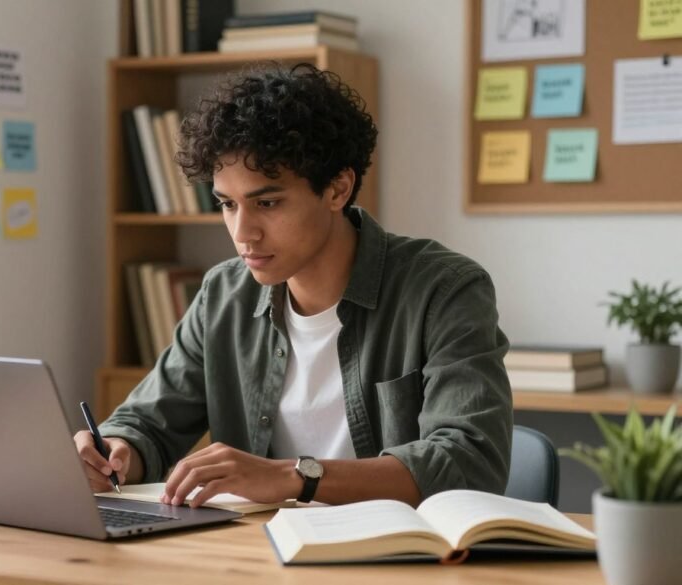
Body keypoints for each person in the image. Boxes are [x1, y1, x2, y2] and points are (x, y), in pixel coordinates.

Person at [75, 63, 512, 509]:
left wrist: (293, 477)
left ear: (338, 189)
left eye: (267, 202)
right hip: (255, 557)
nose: (243, 232)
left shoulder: (445, 290)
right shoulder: (223, 295)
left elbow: (468, 462)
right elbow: (147, 422)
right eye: (227, 204)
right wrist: (115, 450)